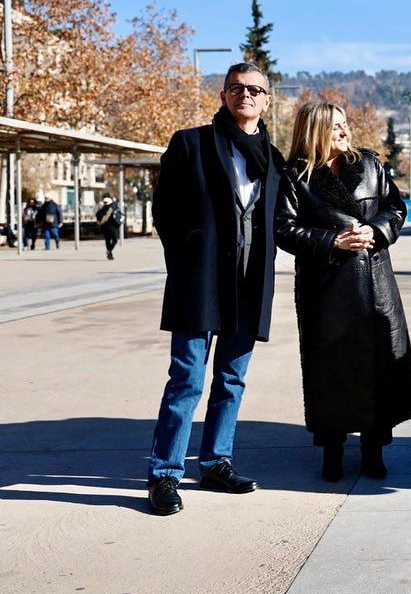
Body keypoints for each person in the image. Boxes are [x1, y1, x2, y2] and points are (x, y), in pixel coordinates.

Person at [146, 62, 284, 516]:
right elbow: (164, 212)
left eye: (254, 90)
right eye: (236, 88)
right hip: (199, 283)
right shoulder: (192, 143)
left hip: (249, 284)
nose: (245, 95)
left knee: (231, 379)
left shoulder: (273, 158)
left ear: (266, 100)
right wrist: (187, 258)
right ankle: (165, 474)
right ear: (224, 96)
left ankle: (215, 463)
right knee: (186, 379)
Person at [276, 101, 411, 482]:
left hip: (375, 282)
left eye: (344, 124)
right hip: (326, 290)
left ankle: (374, 450)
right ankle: (333, 451)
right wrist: (330, 240)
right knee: (331, 371)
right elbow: (284, 229)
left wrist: (376, 231)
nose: (344, 131)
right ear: (315, 131)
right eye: (335, 126)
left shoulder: (370, 165)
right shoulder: (295, 176)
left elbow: (396, 208)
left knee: (380, 366)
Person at [95, 195, 121, 259]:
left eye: (105, 202)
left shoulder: (104, 208)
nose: (105, 203)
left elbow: (98, 216)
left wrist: (100, 223)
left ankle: (109, 252)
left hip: (105, 227)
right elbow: (105, 217)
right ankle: (109, 252)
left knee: (108, 240)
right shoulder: (111, 207)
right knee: (113, 240)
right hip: (111, 227)